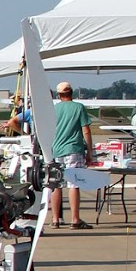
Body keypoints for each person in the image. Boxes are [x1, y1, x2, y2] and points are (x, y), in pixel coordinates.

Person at [48, 81, 95, 229]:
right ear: (71, 92)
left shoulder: (54, 109)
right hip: (74, 148)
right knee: (74, 184)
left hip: (56, 149)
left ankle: (55, 219)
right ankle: (75, 219)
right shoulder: (78, 107)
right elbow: (85, 130)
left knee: (56, 185)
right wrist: (89, 151)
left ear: (59, 95)